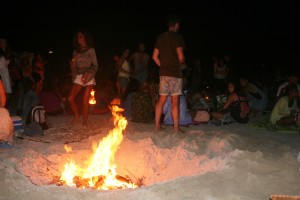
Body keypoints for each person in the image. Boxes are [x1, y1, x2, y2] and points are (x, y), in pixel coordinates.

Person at [152, 14, 186, 133]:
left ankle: (157, 126)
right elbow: (181, 57)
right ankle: (176, 128)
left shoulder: (160, 37)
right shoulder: (178, 37)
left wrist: (163, 66)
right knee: (175, 101)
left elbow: (154, 57)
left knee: (161, 100)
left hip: (164, 74)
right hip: (175, 74)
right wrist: (183, 63)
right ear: (176, 25)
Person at [68, 30, 98, 126]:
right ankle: (77, 116)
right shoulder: (75, 51)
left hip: (89, 75)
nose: (78, 38)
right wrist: (73, 61)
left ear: (85, 37)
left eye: (80, 36)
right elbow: (73, 67)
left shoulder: (91, 50)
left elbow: (95, 65)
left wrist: (88, 73)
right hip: (79, 75)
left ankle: (85, 121)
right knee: (70, 98)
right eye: (78, 37)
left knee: (85, 100)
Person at [0, 38, 12, 107]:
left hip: (6, 74)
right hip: (1, 74)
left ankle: (4, 108)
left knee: (8, 93)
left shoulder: (7, 52)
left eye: (4, 42)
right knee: (3, 93)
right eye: (1, 42)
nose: (3, 43)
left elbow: (6, 65)